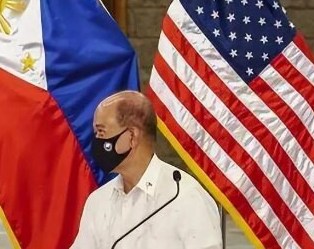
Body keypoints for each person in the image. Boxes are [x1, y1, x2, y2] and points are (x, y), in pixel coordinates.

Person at [70, 91, 222, 249]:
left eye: (101, 132)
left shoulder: (186, 197)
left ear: (132, 136)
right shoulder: (98, 201)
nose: (96, 141)